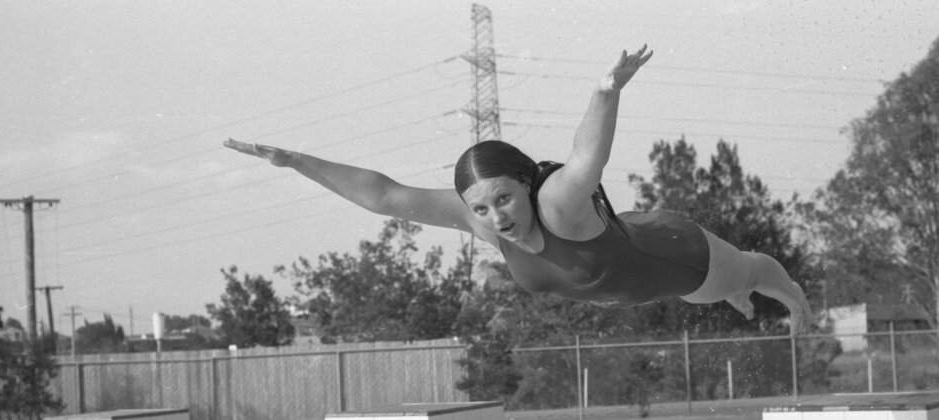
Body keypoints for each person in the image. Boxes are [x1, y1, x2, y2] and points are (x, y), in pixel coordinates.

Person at [225, 45, 813, 334]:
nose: (495, 217)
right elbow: (385, 197)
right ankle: (744, 292)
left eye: (504, 198)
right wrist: (295, 160)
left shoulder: (557, 201)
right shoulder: (481, 220)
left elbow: (588, 153)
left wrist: (606, 90)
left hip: (678, 254)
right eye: (481, 206)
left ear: (529, 185)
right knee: (702, 296)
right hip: (635, 266)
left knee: (745, 278)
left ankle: (798, 302)